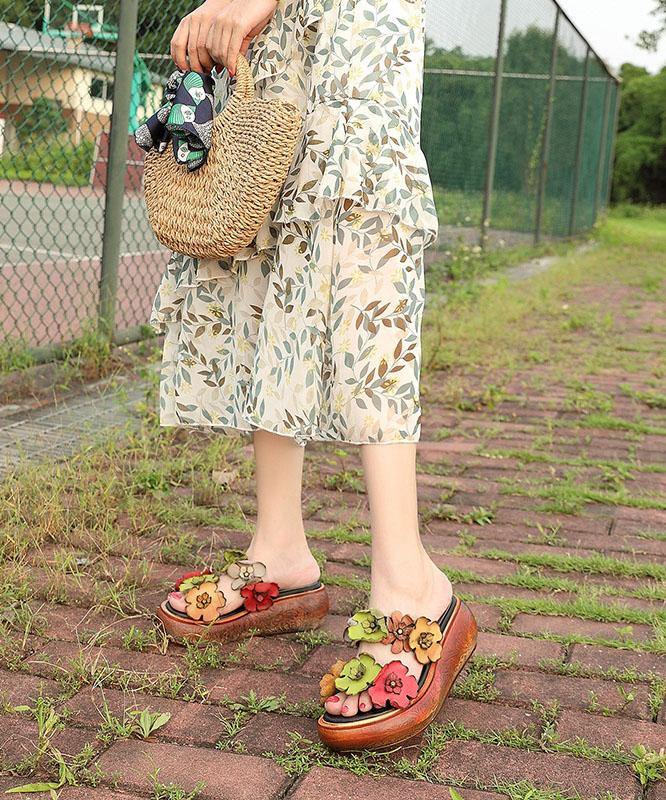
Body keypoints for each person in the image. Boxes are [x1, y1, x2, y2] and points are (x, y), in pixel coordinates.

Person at [150, 0, 477, 750]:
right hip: (283, 19)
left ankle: (413, 584)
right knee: (271, 227)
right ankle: (281, 550)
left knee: (361, 236)